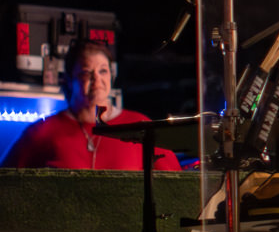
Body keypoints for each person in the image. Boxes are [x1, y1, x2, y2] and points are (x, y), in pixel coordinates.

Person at [1, 39, 181, 170]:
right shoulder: (42, 132)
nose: (97, 80)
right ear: (69, 80)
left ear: (112, 76)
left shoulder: (141, 127)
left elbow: (176, 186)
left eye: (103, 71)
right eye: (86, 73)